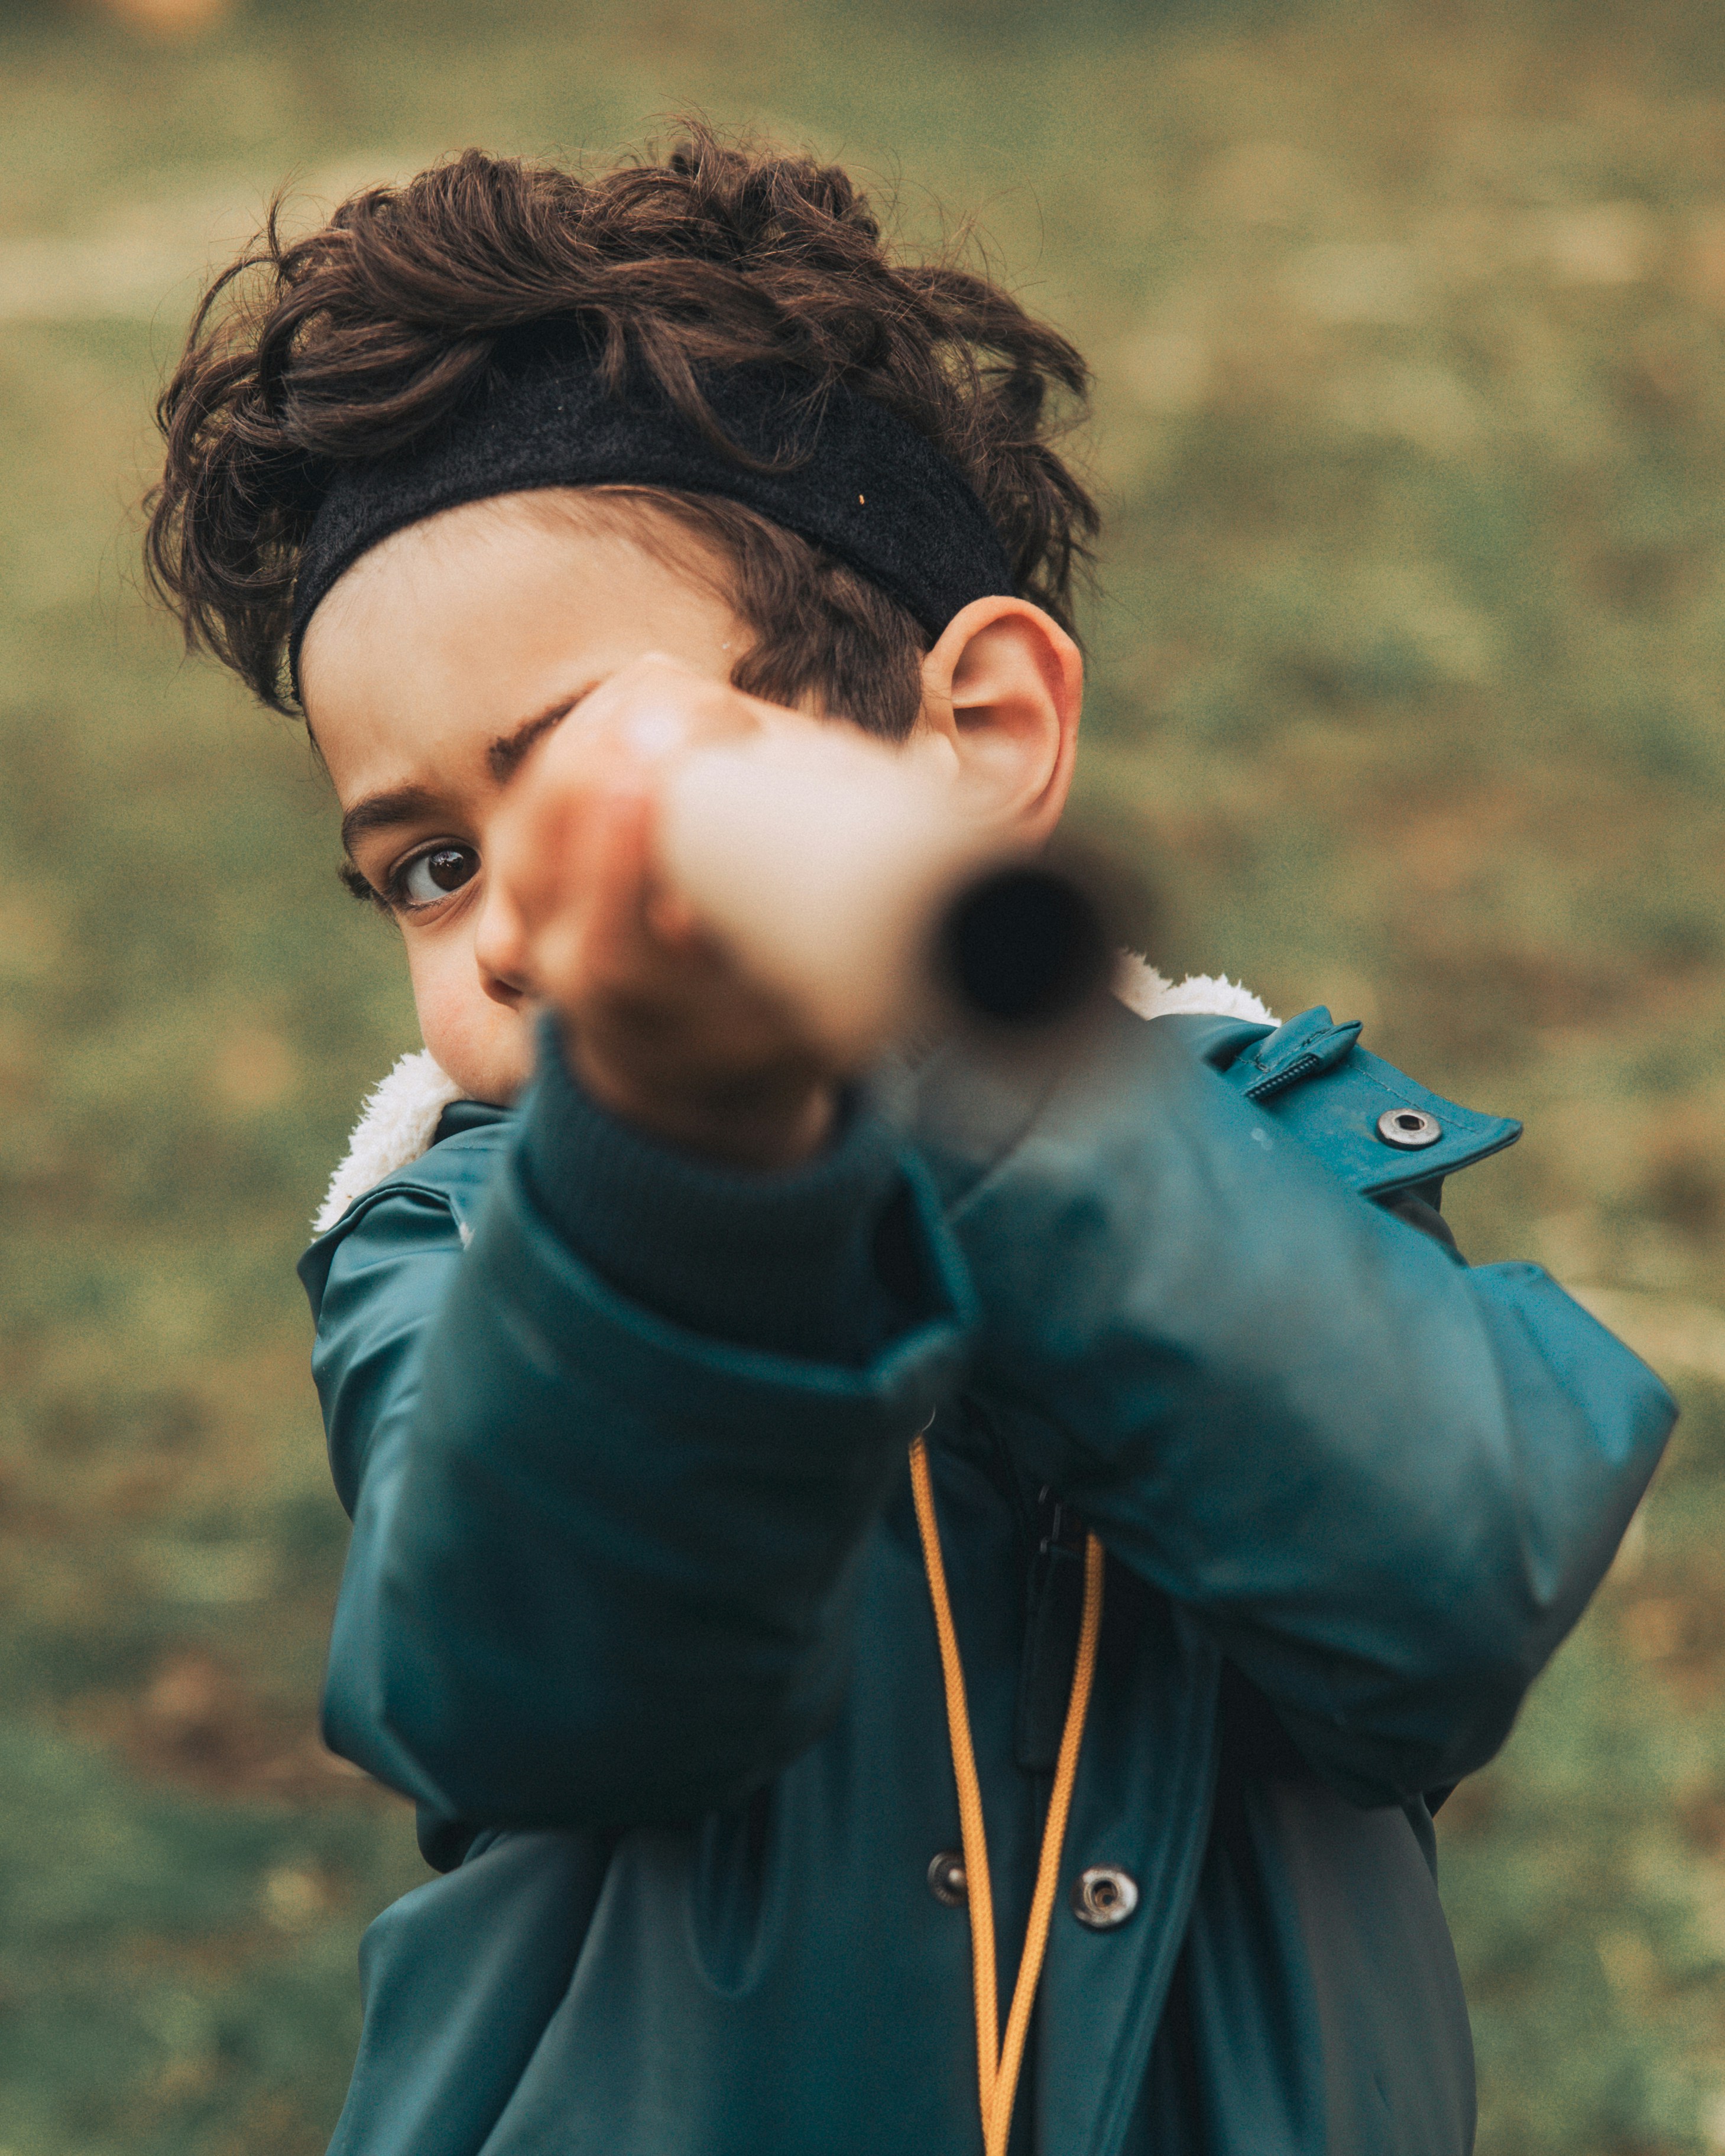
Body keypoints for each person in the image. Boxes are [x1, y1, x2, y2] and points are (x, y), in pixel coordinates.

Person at [144, 128, 1674, 2156]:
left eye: (603, 776)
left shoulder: (1282, 1165)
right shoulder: (469, 1242)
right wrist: (682, 1156)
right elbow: (542, 1675)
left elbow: (1448, 1586)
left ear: (977, 742)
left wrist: (941, 1045)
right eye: (428, 864)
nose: (515, 923)